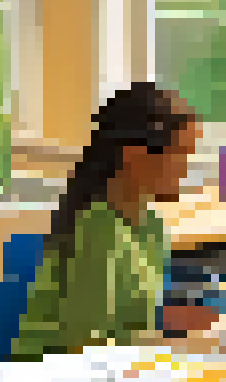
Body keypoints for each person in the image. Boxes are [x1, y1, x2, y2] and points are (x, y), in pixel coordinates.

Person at [13, 81, 215, 360]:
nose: (186, 169)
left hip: (112, 374)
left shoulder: (152, 226)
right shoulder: (98, 229)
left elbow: (129, 322)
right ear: (133, 156)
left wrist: (175, 326)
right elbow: (81, 346)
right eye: (180, 156)